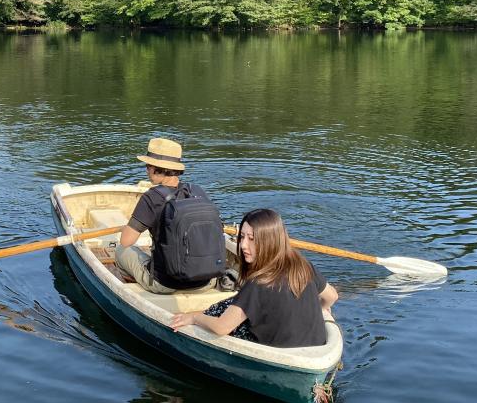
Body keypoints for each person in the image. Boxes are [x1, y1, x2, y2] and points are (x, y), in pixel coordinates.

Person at [171, 208, 338, 347]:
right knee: (233, 303)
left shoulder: (258, 283)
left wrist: (194, 318)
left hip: (277, 352)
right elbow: (332, 296)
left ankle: (197, 314)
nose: (243, 245)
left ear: (269, 241)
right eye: (242, 236)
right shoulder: (303, 265)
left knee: (224, 309)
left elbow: (222, 327)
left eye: (252, 239)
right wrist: (321, 308)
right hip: (315, 348)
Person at [115, 137, 224, 294]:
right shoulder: (197, 191)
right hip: (207, 280)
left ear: (159, 168)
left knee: (121, 251)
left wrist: (130, 227)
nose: (146, 169)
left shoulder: (151, 197)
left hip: (165, 283)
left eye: (148, 165)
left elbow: (126, 241)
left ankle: (139, 284)